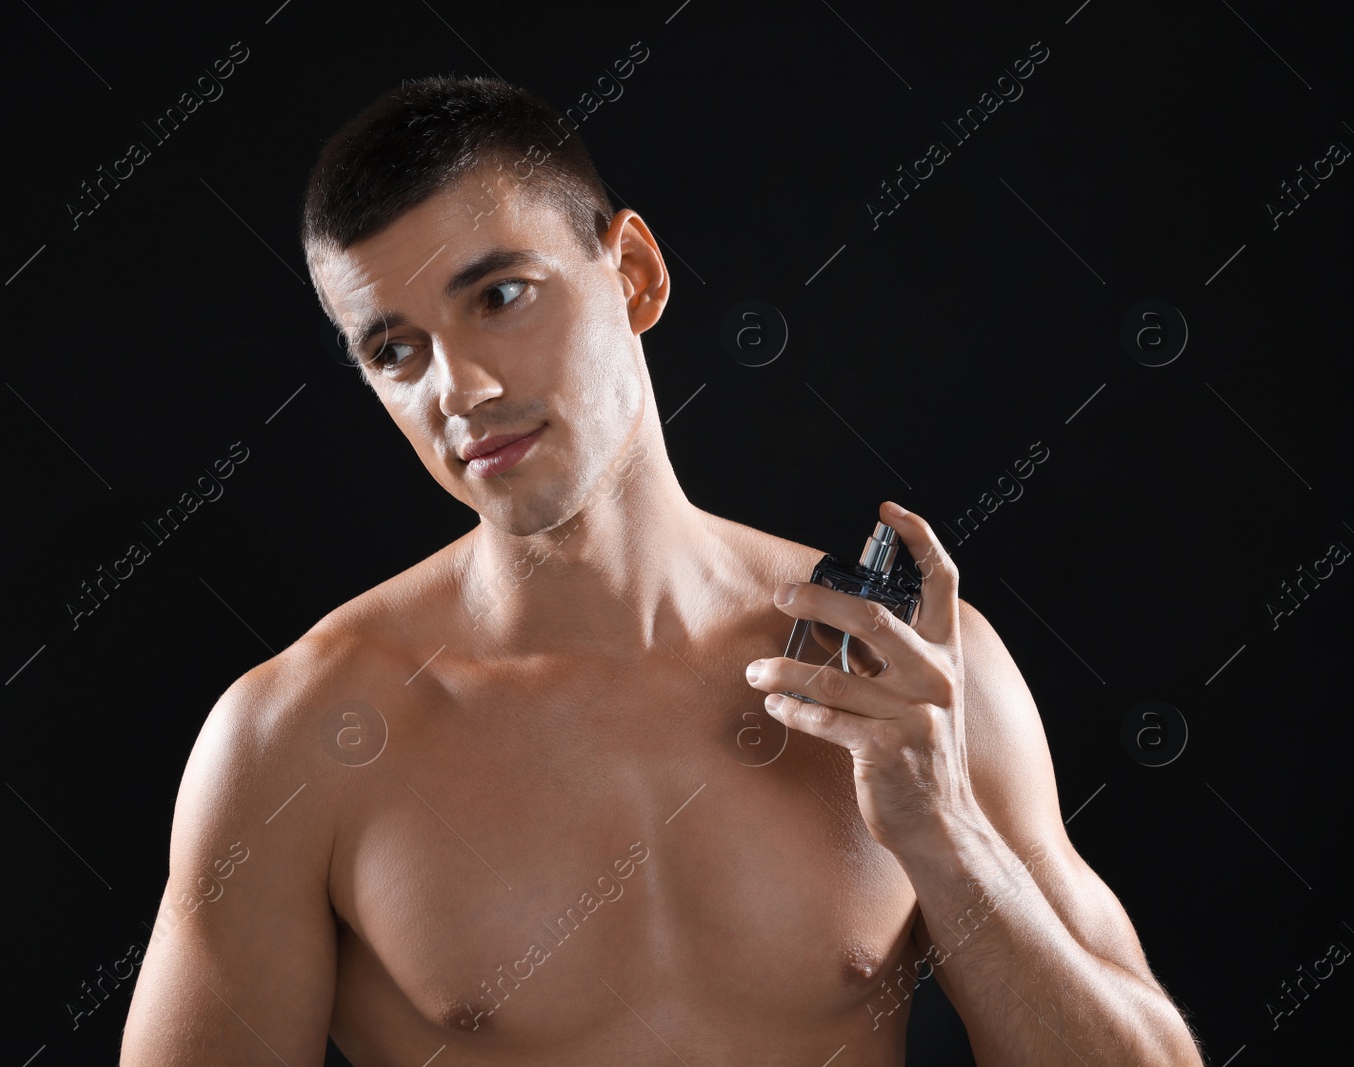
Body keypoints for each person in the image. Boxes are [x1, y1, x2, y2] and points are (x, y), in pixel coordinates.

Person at [120, 75, 1203, 1066]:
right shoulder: (301, 733)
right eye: (395, 350)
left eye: (498, 295)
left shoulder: (905, 671)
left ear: (631, 273)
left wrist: (945, 832)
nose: (458, 387)